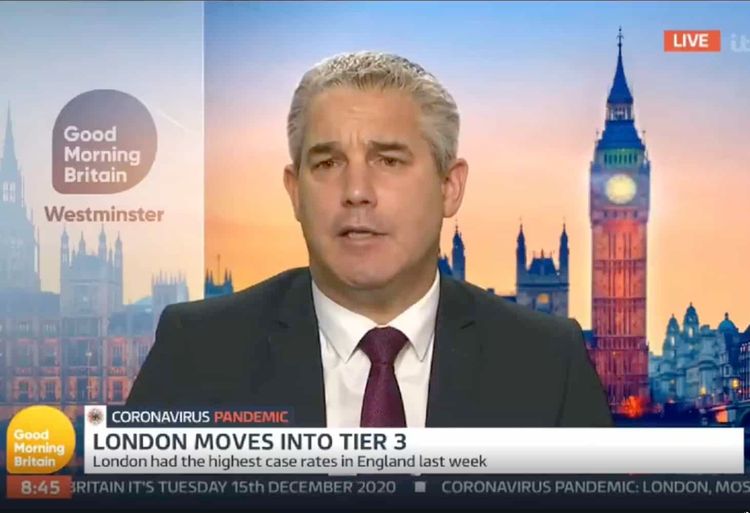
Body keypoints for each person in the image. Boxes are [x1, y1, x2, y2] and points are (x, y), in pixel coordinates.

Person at [127, 51, 612, 428]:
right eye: (328, 163)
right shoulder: (197, 350)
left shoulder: (549, 361)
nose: (356, 191)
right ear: (295, 193)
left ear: (450, 187)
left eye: (389, 161)